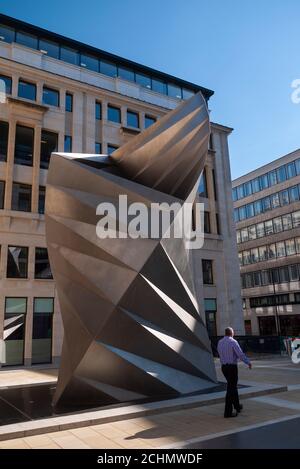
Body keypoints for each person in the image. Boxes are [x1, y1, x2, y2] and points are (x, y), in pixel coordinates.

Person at [217, 327, 252, 418]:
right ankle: (227, 412)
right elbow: (240, 354)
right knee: (231, 389)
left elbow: (219, 353)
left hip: (224, 367)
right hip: (231, 367)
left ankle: (237, 406)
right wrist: (248, 362)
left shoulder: (220, 342)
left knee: (232, 386)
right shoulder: (233, 342)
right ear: (231, 333)